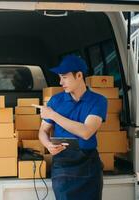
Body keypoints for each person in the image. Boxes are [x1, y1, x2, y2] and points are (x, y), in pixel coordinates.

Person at [38, 55, 107, 200]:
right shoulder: (56, 100)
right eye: (59, 77)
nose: (60, 82)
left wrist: (54, 115)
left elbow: (86, 132)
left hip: (88, 162)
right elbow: (43, 131)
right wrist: (48, 145)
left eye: (64, 77)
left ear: (79, 75)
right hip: (63, 164)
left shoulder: (98, 100)